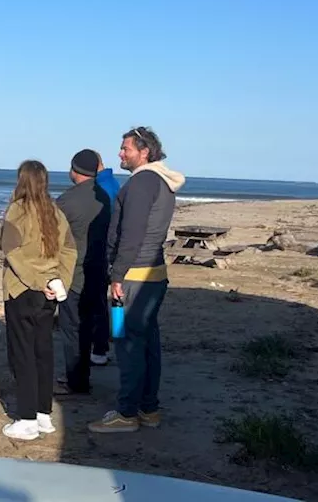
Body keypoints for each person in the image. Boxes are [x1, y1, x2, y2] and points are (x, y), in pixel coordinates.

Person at [89, 127, 185, 434]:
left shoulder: (143, 182)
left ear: (144, 152)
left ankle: (127, 413)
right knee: (146, 342)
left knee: (128, 343)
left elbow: (131, 234)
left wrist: (116, 276)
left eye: (125, 148)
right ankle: (148, 408)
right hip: (151, 274)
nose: (120, 153)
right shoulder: (160, 180)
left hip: (133, 277)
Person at [0, 160, 77, 440]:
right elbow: (69, 251)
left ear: (22, 180)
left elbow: (12, 251)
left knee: (23, 354)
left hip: (24, 290)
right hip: (49, 290)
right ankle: (43, 414)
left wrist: (38, 282)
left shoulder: (18, 210)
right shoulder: (55, 211)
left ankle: (28, 418)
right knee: (42, 351)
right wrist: (60, 282)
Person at [54, 149, 114, 395]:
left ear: (74, 170)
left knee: (71, 328)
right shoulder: (105, 197)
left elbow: (52, 239)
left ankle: (76, 380)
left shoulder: (66, 201)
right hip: (99, 270)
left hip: (74, 273)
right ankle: (82, 373)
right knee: (88, 324)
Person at [90, 155, 120, 366]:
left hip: (104, 251)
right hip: (112, 250)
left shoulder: (103, 188)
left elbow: (105, 222)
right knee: (113, 299)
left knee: (100, 300)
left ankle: (101, 348)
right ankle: (114, 339)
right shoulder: (111, 182)